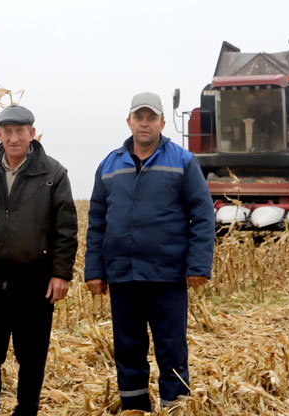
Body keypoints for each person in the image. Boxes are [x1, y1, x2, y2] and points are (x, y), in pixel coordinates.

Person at [85, 92, 215, 412]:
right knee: (128, 347)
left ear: (162, 122)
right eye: (139, 117)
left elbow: (202, 214)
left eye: (151, 118)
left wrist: (198, 265)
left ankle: (175, 406)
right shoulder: (109, 164)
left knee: (171, 346)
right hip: (123, 274)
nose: (144, 124)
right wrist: (95, 271)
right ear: (129, 121)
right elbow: (97, 222)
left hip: (167, 274)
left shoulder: (183, 161)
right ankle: (135, 407)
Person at [0, 105, 78, 416]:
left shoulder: (53, 174)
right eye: (7, 132)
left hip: (34, 286)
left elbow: (66, 229)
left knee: (32, 356)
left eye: (20, 131)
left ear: (32, 134)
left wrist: (61, 274)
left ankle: (26, 411)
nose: (13, 138)